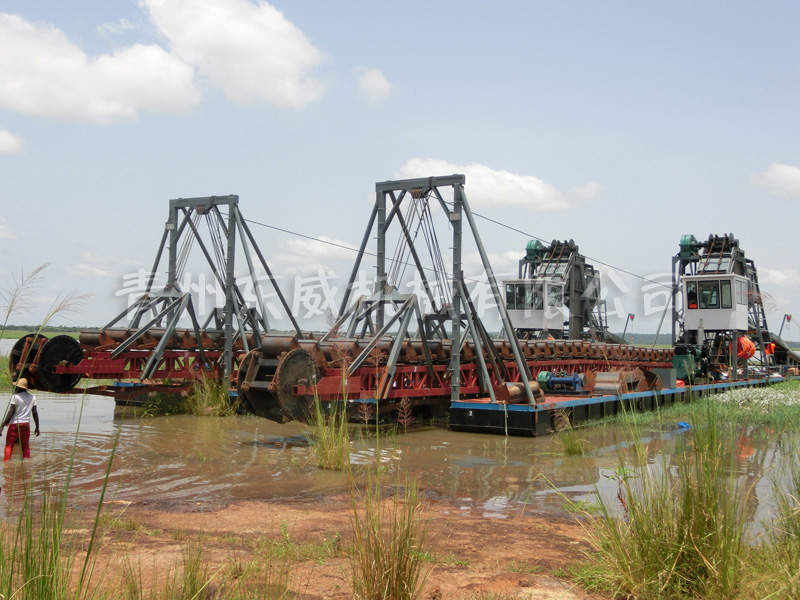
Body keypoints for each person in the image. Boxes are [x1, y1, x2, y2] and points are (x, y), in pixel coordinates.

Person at [1, 378, 40, 461]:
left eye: (16, 387)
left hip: (14, 425)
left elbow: (11, 411)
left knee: (9, 445)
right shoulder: (32, 397)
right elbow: (35, 413)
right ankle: (27, 462)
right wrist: (37, 427)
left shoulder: (15, 397)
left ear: (19, 388)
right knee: (25, 446)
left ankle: (6, 463)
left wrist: (2, 425)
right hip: (26, 424)